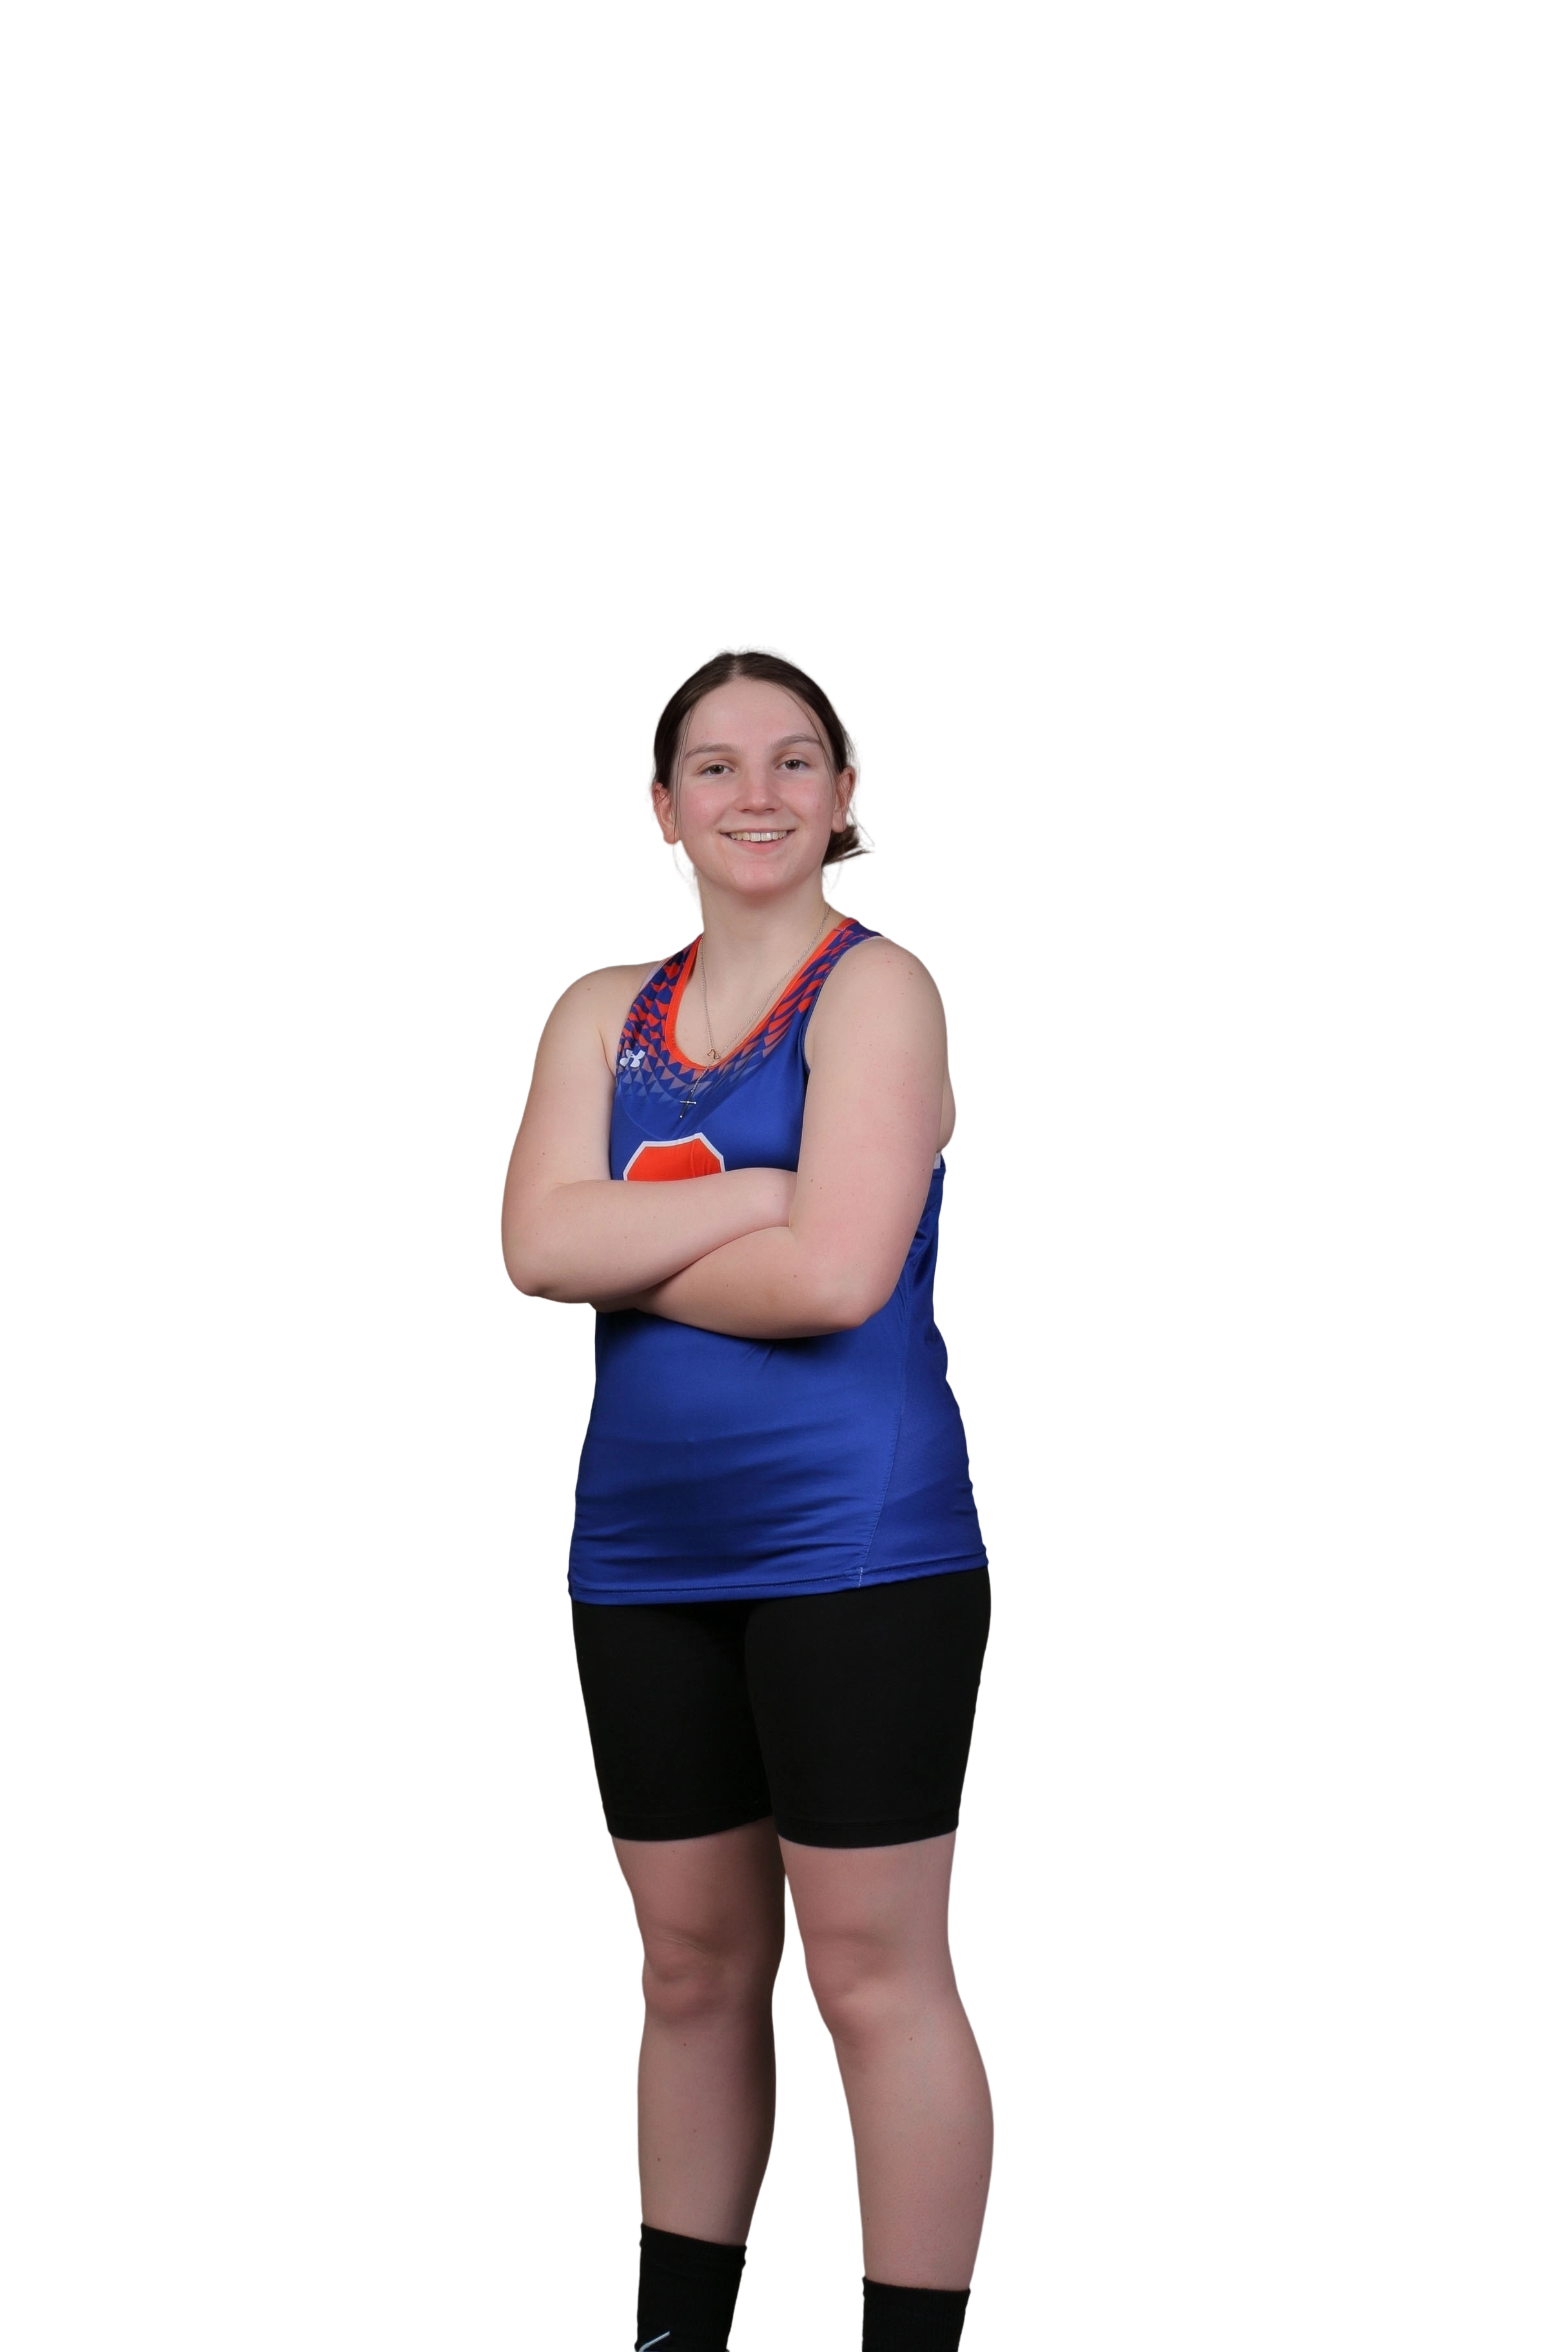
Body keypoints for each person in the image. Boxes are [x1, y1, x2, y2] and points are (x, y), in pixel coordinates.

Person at [500, 640, 995, 2352]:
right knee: (691, 1968)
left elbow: (836, 1281)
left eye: (794, 759)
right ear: (663, 810)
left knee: (870, 1971)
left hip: (860, 1545)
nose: (756, 794)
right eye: (715, 765)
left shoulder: (881, 991)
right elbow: (531, 1247)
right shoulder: (597, 1012)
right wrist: (763, 1189)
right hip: (639, 1553)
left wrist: (629, 1243)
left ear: (845, 795)